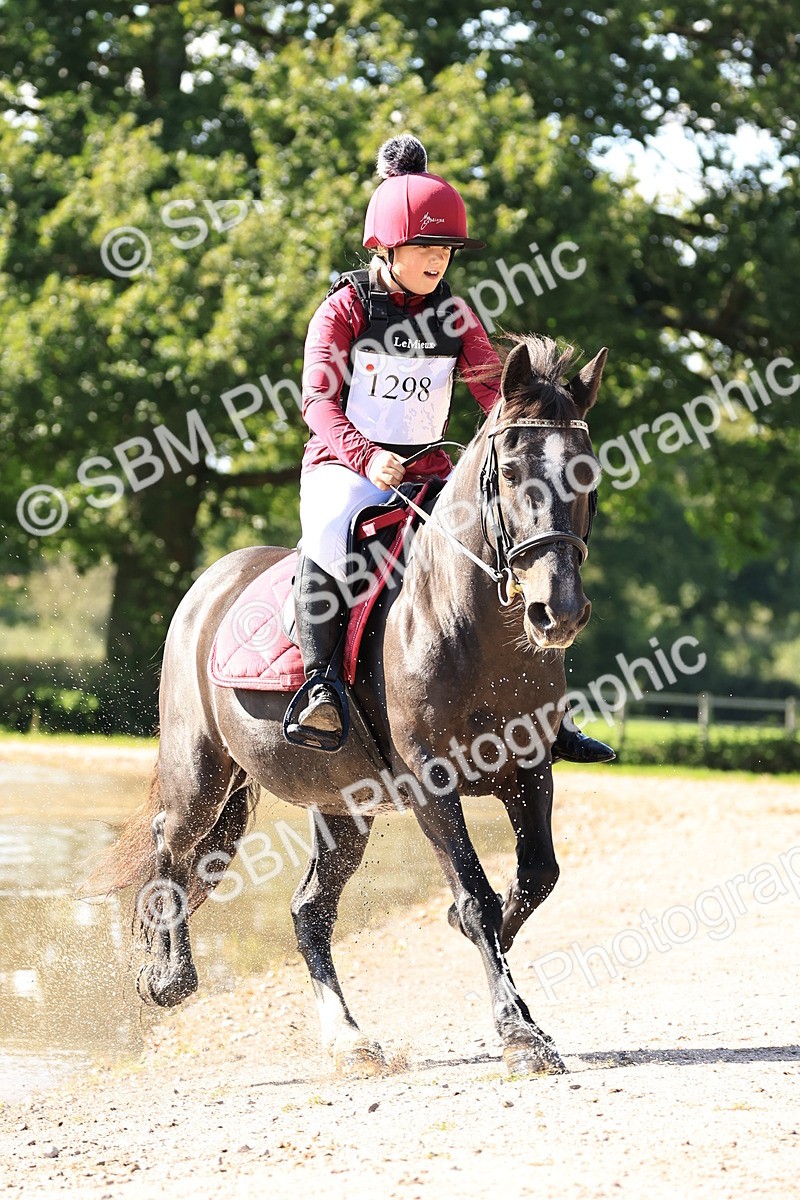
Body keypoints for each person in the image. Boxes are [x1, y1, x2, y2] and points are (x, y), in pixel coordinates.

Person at [284, 134, 614, 766]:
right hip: (345, 468)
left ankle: (546, 709)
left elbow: (497, 394)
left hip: (430, 472)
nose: (438, 259)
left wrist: (536, 435)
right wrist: (364, 457)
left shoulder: (456, 316)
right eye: (426, 247)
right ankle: (320, 683)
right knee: (328, 535)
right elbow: (317, 404)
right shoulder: (343, 311)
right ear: (385, 246)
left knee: (512, 539)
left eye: (445, 249)